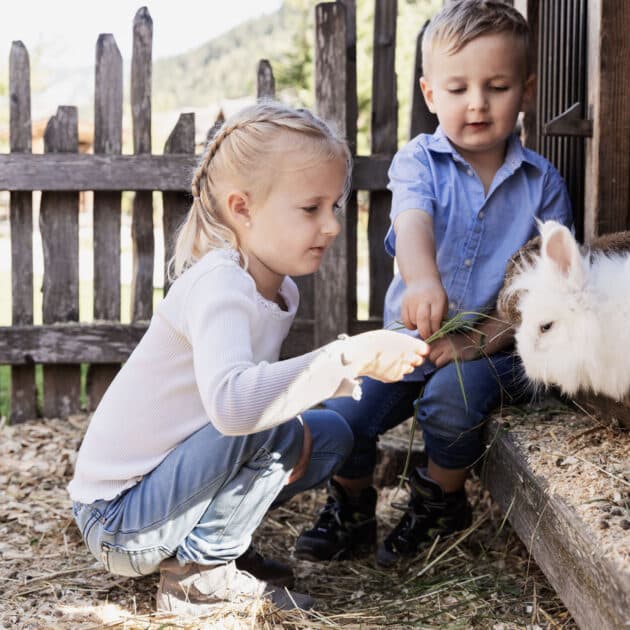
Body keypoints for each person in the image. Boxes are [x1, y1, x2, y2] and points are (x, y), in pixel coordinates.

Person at [67, 102, 429, 614]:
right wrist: (351, 356)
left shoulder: (277, 290)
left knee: (329, 437)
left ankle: (215, 544)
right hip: (120, 521)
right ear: (243, 208)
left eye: (335, 207)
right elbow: (236, 408)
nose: (330, 226)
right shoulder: (220, 286)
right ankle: (199, 578)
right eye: (311, 209)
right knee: (262, 422)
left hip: (160, 495)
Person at [295, 0, 573, 567]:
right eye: (458, 88)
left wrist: (473, 342)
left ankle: (439, 500)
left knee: (451, 399)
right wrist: (421, 278)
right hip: (414, 334)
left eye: (496, 86)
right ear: (429, 94)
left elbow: (544, 289)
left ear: (527, 89)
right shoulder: (417, 161)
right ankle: (350, 506)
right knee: (347, 405)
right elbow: (412, 219)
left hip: (497, 344)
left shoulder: (543, 184)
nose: (477, 103)